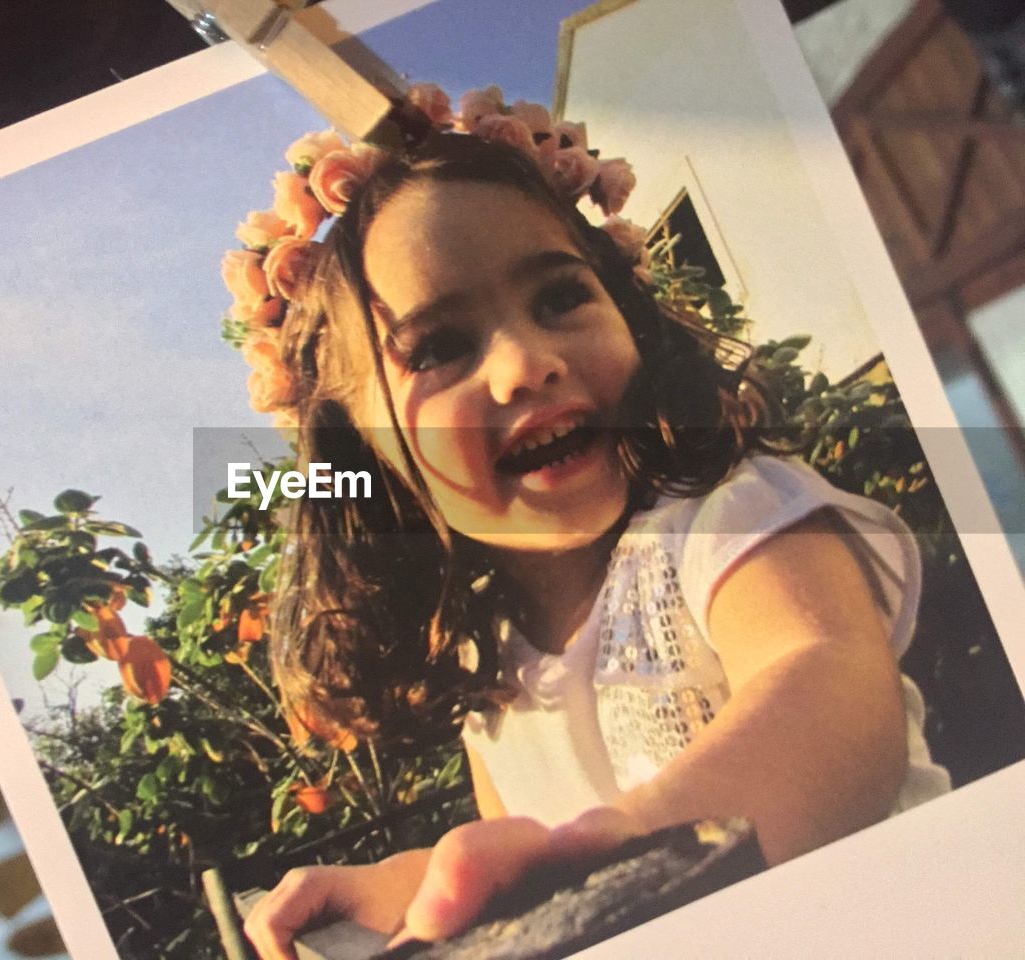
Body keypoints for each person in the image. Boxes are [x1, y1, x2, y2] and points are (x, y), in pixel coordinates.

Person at [224, 86, 950, 960]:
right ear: (373, 457)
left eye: (561, 297)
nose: (528, 363)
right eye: (441, 348)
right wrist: (390, 889)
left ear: (631, 318)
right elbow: (522, 849)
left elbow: (828, 687)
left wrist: (609, 852)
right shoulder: (483, 662)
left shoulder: (731, 518)